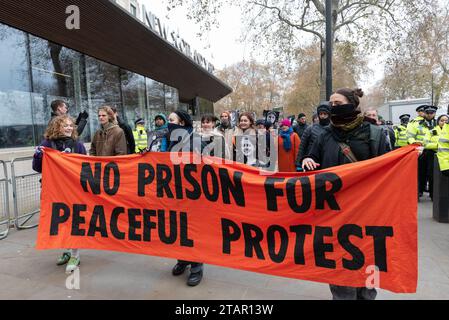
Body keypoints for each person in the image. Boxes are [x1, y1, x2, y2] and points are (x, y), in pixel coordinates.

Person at [301, 88, 388, 300]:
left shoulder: (374, 133)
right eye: (330, 104)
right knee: (339, 262)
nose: (332, 108)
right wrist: (307, 160)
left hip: (368, 211)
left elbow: (387, 168)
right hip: (335, 211)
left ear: (353, 104)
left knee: (368, 260)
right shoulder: (324, 135)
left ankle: (367, 295)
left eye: (337, 104)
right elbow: (311, 156)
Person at [32, 115, 87, 274]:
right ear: (57, 127)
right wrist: (38, 155)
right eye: (65, 125)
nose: (69, 128)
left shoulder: (78, 145)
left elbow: (85, 167)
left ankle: (75, 255)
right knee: (59, 221)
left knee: (74, 221)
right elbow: (37, 167)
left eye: (71, 125)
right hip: (53, 191)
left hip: (73, 191)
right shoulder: (47, 144)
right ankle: (67, 251)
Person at [167, 109, 204, 287]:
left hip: (191, 194)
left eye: (171, 120)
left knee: (192, 229)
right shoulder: (166, 139)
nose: (168, 123)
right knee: (176, 228)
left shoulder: (195, 139)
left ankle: (196, 266)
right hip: (171, 191)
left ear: (181, 123)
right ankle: (182, 259)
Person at [296, 102, 331, 168]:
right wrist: (298, 163)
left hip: (328, 162)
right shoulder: (310, 129)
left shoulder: (334, 128)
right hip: (312, 163)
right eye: (321, 114)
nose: (323, 116)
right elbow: (302, 147)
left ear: (329, 114)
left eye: (325, 114)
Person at [419, 105, 439, 200]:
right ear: (424, 113)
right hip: (421, 151)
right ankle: (419, 191)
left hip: (433, 152)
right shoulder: (417, 124)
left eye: (432, 113)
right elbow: (410, 136)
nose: (430, 115)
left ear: (434, 114)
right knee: (421, 172)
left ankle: (433, 194)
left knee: (432, 174)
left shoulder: (438, 123)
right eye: (428, 113)